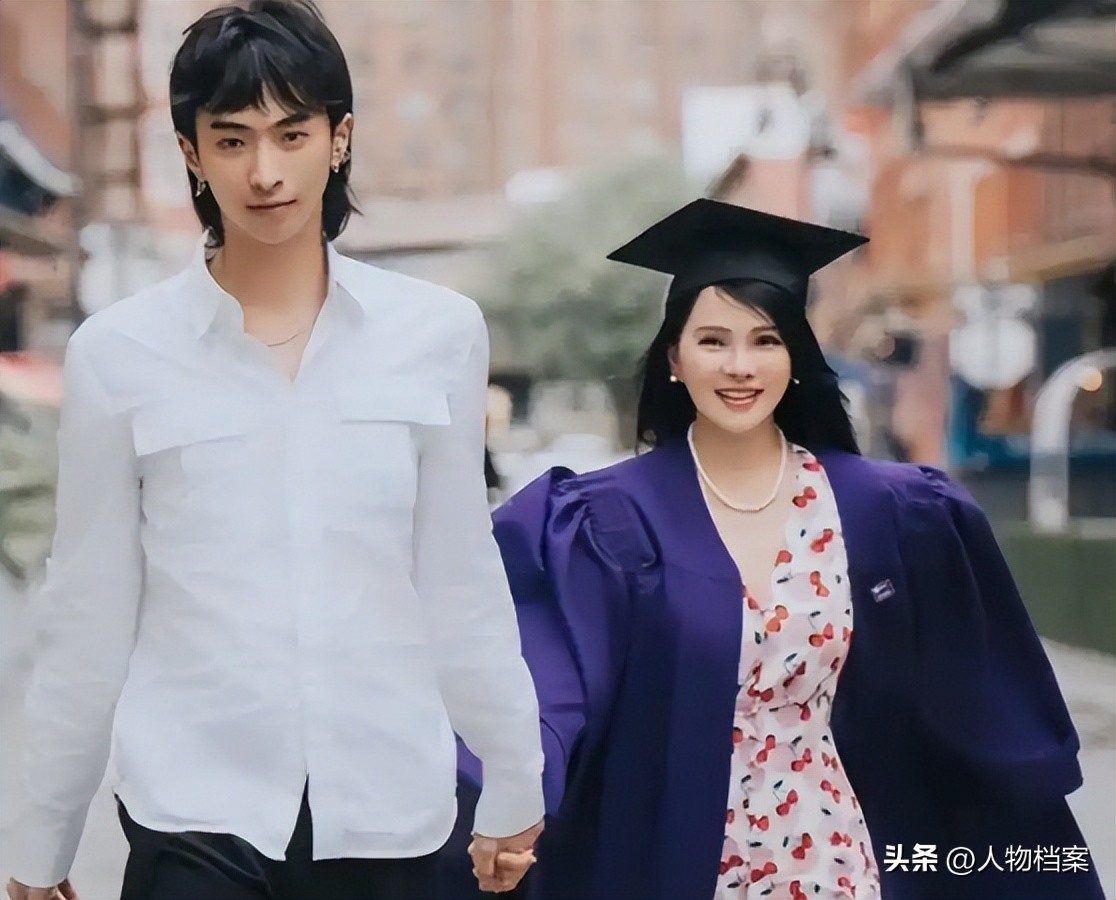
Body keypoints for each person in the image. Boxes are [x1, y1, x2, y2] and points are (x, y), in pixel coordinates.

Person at [7, 3, 544, 899]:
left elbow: (460, 579)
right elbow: (88, 610)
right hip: (193, 812)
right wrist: (42, 839)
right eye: (232, 140)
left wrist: (515, 773)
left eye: (292, 134)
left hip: (386, 807)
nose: (264, 172)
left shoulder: (438, 334)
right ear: (192, 153)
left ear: (340, 139)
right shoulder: (118, 354)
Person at [439, 199, 1104, 899]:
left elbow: (973, 702)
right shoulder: (599, 521)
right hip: (670, 861)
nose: (740, 366)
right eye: (713, 341)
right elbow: (547, 680)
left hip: (835, 860)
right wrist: (516, 793)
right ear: (674, 359)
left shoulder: (890, 512)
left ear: (796, 359)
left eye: (766, 340)